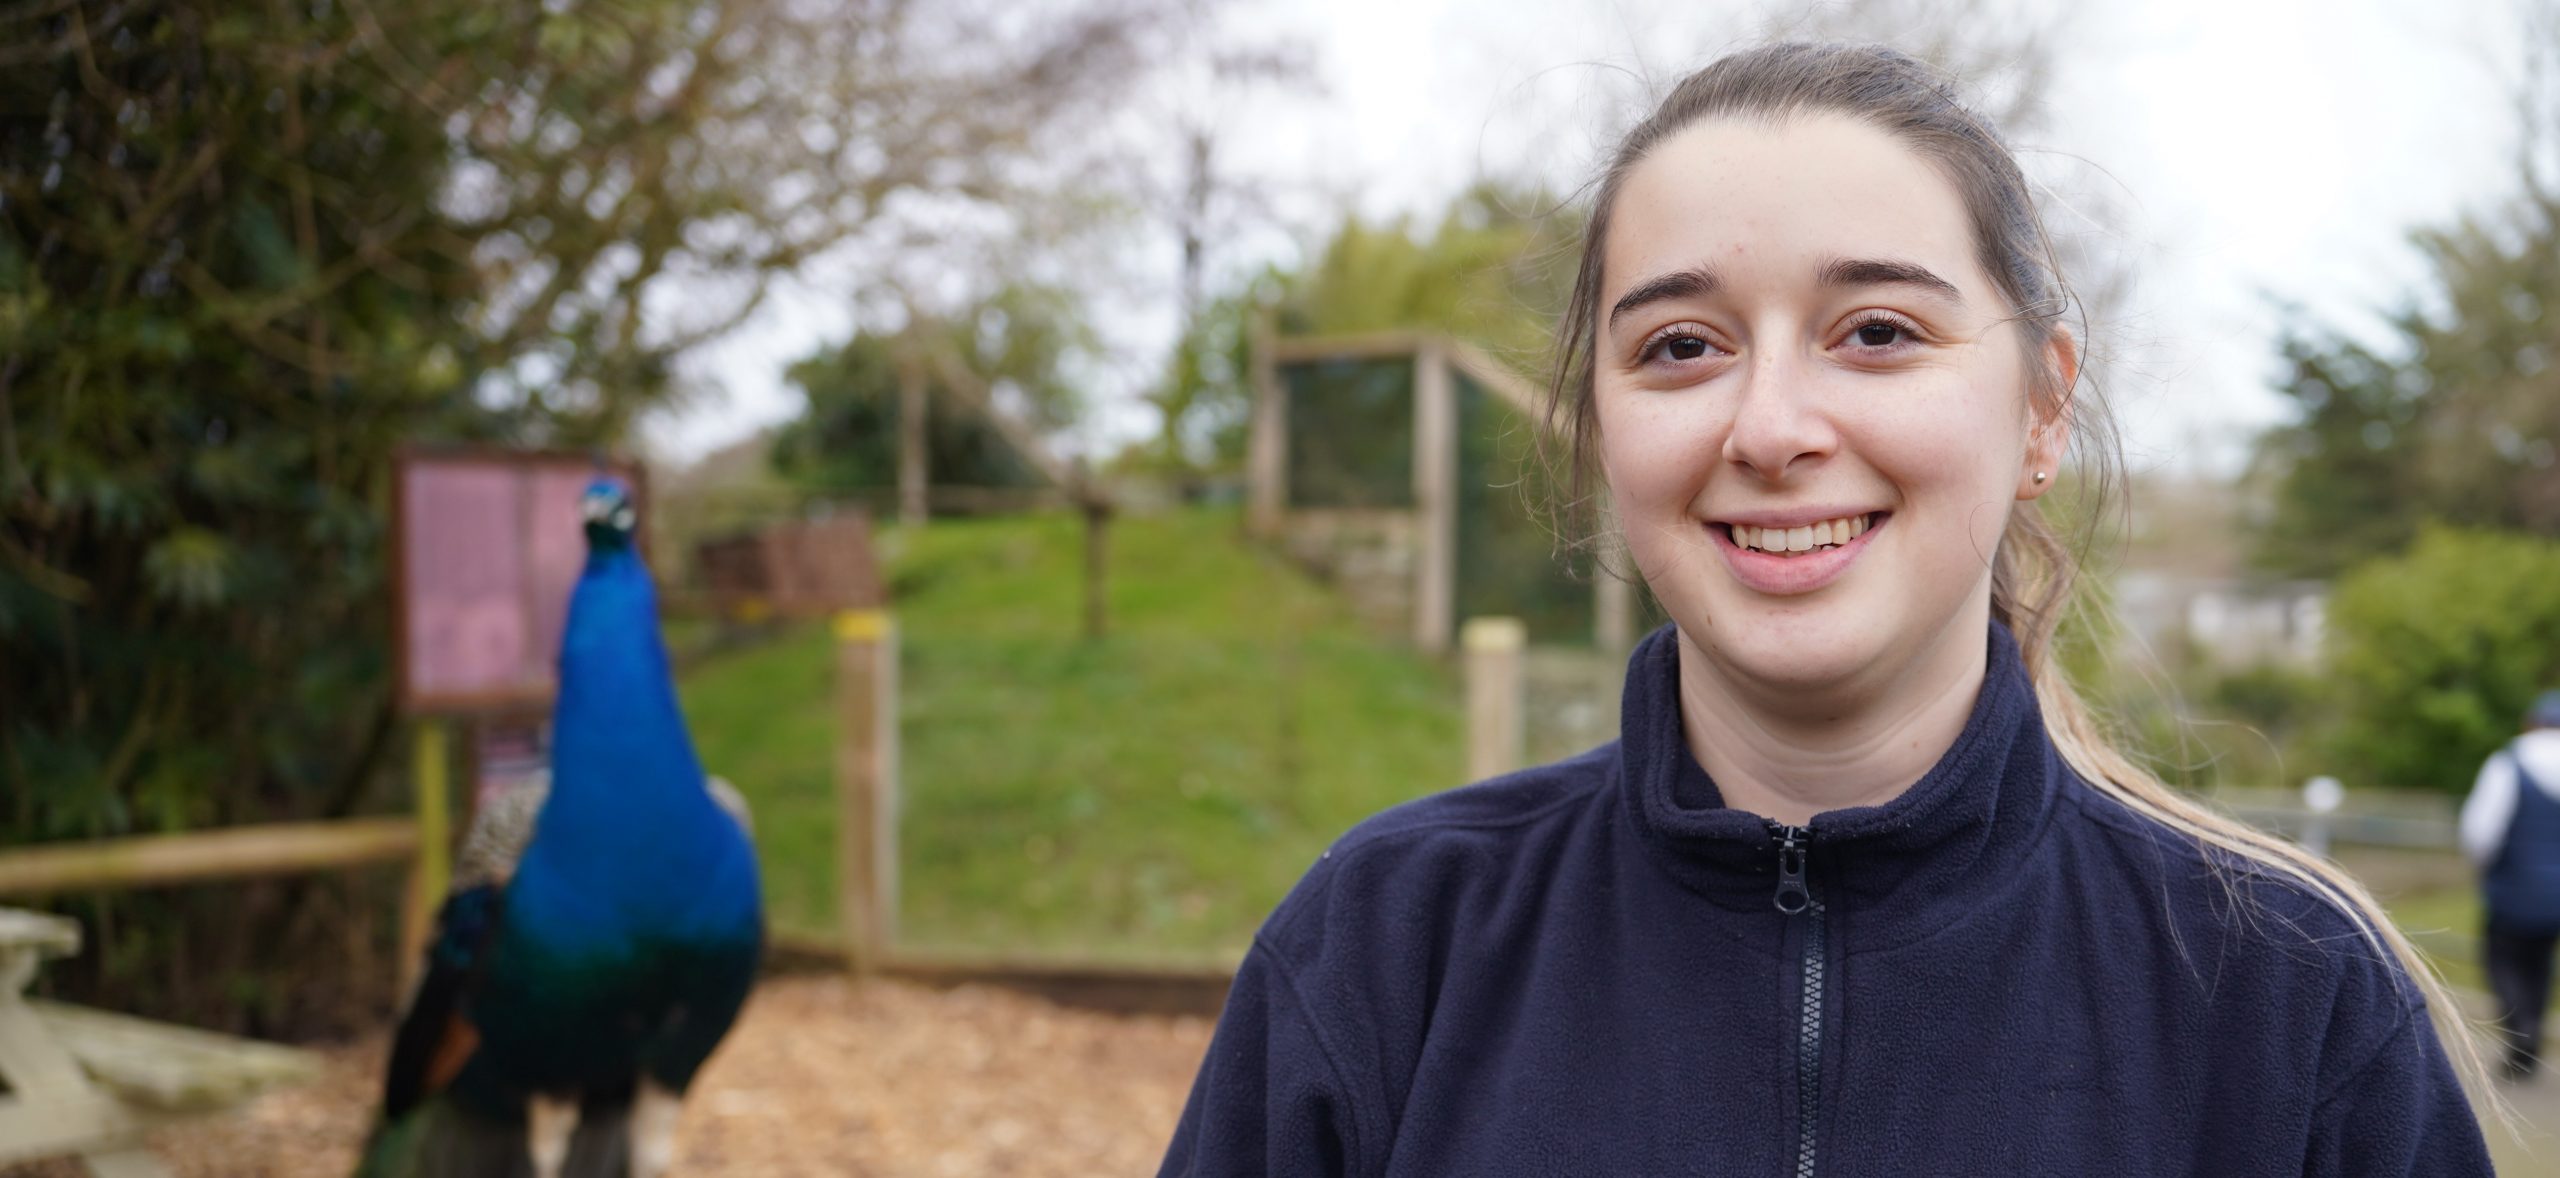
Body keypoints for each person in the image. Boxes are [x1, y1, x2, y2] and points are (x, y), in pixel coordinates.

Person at [1158, 42, 2497, 1176]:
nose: (1774, 426)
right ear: (1599, 424)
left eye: (1877, 332)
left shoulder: (2293, 1000)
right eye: (1682, 347)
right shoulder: (1383, 948)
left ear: (2042, 406)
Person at [2460, 690, 2560, 1080]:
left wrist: (2483, 870)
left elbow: (2481, 831)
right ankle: (2532, 1030)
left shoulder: (2509, 763)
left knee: (2503, 962)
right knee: (2540, 964)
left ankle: (2521, 1031)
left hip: (2514, 887)